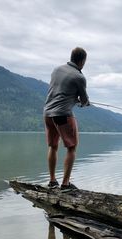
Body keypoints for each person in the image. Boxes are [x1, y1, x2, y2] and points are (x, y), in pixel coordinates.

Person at [43, 47, 89, 191]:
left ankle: (52, 181)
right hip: (63, 114)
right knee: (71, 147)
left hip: (47, 113)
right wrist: (84, 103)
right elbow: (84, 100)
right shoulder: (79, 77)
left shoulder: (56, 70)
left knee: (53, 146)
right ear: (82, 61)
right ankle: (65, 184)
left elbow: (60, 91)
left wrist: (73, 98)